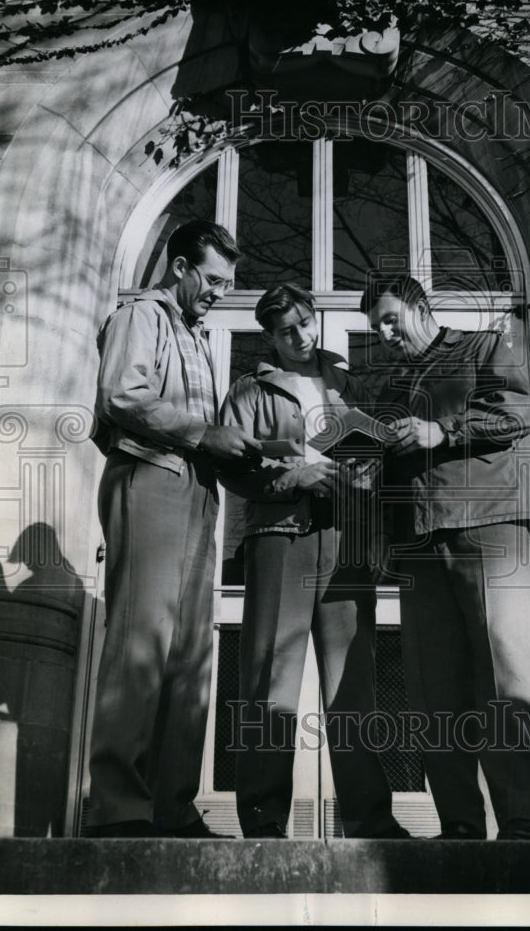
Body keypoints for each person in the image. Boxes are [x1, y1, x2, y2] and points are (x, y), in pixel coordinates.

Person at [360, 270, 530, 841]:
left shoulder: (483, 347)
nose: (385, 334)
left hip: (489, 525)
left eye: (391, 320)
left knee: (503, 671)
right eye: (377, 327)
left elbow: (516, 414)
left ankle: (526, 822)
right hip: (419, 544)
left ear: (421, 309)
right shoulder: (393, 388)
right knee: (434, 688)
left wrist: (441, 431)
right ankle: (460, 827)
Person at [85, 220, 261, 838]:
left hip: (197, 490)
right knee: (142, 641)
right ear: (180, 266)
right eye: (213, 279)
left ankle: (172, 808)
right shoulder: (141, 315)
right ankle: (117, 808)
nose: (220, 292)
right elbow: (121, 396)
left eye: (227, 283)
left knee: (189, 653)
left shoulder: (194, 334)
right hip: (149, 478)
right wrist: (206, 433)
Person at [219, 283, 408, 840]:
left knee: (354, 683)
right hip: (280, 537)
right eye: (287, 331)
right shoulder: (249, 391)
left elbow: (375, 450)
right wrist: (293, 475)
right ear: (269, 337)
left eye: (306, 323)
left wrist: (366, 470)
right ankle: (262, 821)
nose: (301, 337)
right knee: (269, 680)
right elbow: (232, 466)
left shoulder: (347, 380)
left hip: (345, 536)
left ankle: (370, 821)